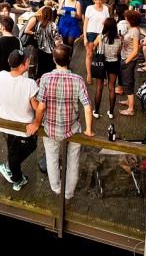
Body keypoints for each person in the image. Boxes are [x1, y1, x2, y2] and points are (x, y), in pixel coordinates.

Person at [31, 45, 94, 200]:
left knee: (51, 159)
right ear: (69, 59)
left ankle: (56, 188)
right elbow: (87, 106)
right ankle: (68, 193)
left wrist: (36, 123)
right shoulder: (78, 80)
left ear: (54, 59)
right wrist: (88, 129)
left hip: (50, 128)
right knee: (73, 162)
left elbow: (41, 106)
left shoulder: (46, 78)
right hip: (72, 129)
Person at [0, 49, 40, 191]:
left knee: (12, 151)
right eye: (27, 60)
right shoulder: (30, 84)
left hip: (4, 123)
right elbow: (36, 107)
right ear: (23, 65)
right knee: (27, 148)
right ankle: (16, 178)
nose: (29, 61)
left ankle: (12, 170)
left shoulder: (1, 75)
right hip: (23, 129)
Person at [92, 18, 122, 119]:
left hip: (101, 63)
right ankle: (111, 112)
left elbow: (94, 45)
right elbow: (119, 52)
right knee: (112, 87)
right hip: (114, 63)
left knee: (99, 87)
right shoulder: (119, 38)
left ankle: (96, 111)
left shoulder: (100, 36)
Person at [0, 16, 21, 103]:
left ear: (2, 27)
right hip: (13, 73)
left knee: (1, 99)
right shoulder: (17, 41)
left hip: (0, 73)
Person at [83, 0, 110, 84]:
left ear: (102, 0)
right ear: (94, 0)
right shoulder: (89, 8)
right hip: (91, 33)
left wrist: (105, 23)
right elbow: (85, 23)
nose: (98, 1)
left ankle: (102, 75)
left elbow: (108, 22)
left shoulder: (105, 8)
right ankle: (89, 74)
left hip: (102, 33)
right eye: (96, 0)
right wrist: (85, 37)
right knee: (89, 54)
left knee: (102, 55)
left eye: (100, 0)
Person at [119, 10, 142, 116]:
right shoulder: (132, 29)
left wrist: (126, 61)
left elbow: (136, 50)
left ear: (131, 20)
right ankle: (129, 101)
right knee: (128, 81)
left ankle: (131, 109)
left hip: (129, 60)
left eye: (127, 18)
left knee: (128, 83)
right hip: (127, 58)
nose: (125, 20)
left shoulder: (135, 31)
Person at [33, 6, 62, 79]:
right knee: (50, 71)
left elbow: (35, 37)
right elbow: (56, 40)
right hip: (50, 51)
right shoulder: (53, 25)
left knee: (41, 69)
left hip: (40, 50)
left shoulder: (38, 24)